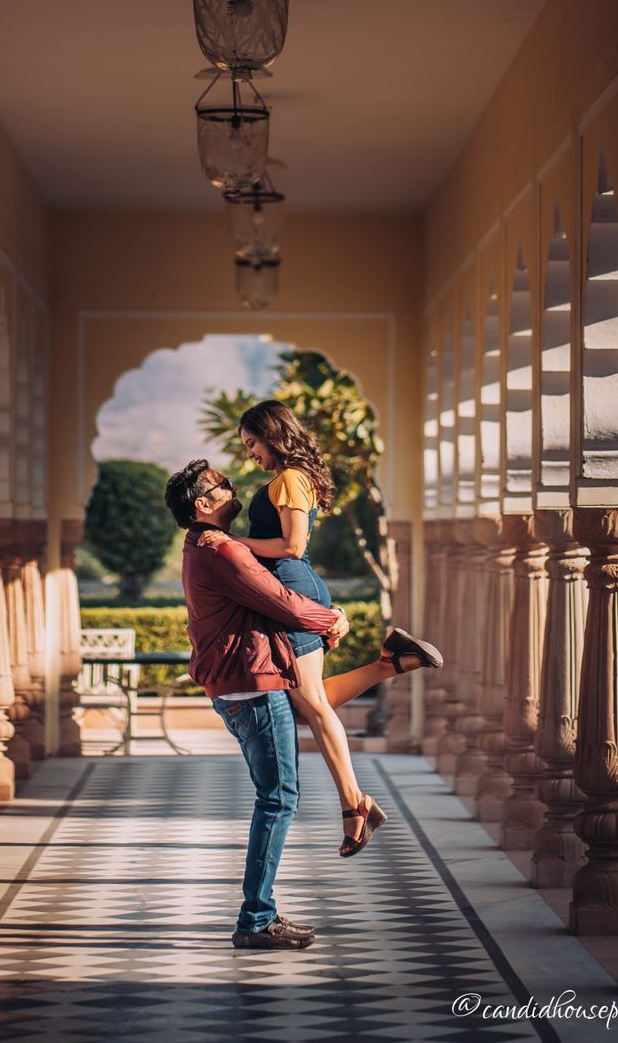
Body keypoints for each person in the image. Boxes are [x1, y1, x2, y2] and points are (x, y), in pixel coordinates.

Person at [164, 458, 441, 951]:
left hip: (244, 682)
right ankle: (255, 919)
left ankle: (390, 665)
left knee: (312, 710)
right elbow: (281, 602)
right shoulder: (221, 551)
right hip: (252, 687)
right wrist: (332, 618)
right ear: (203, 505)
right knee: (277, 799)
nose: (233, 488)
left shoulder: (201, 545)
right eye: (222, 486)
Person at [197, 400, 443, 858]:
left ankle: (355, 805)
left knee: (309, 701)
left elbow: (291, 546)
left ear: (272, 434)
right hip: (288, 594)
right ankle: (390, 661)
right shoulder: (285, 478)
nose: (250, 452)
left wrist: (231, 541)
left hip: (293, 592)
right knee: (305, 698)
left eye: (252, 442)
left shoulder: (290, 478)